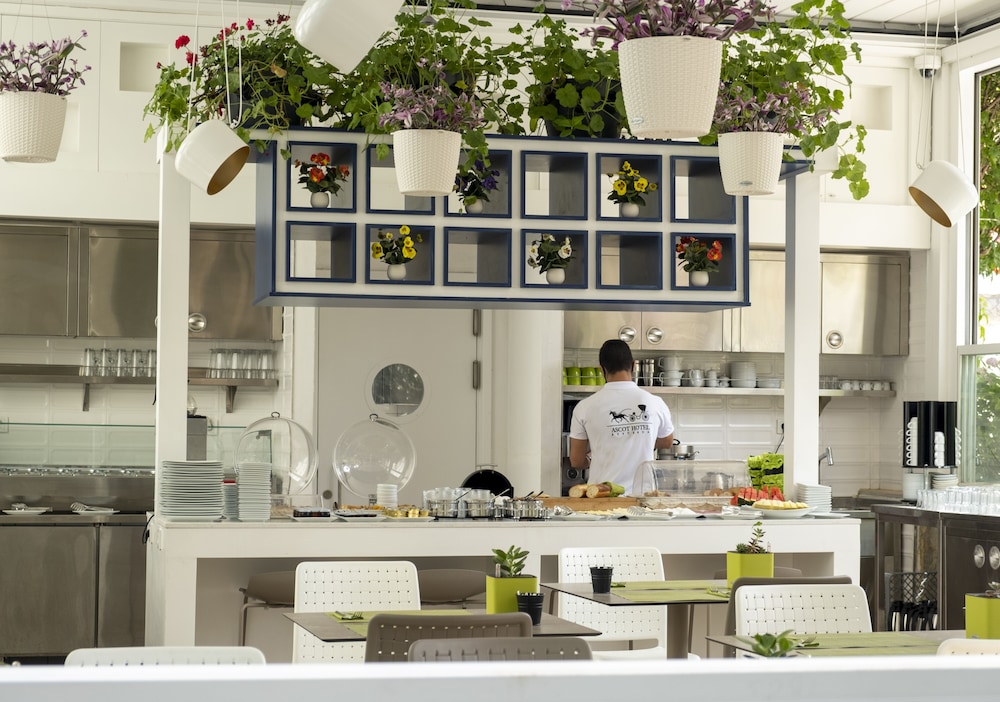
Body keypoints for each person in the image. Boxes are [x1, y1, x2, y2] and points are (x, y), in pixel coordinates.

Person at [569, 339, 674, 495]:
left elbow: (577, 461)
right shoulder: (655, 402)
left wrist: (592, 456)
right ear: (633, 365)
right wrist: (641, 438)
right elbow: (667, 442)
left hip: (602, 496)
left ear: (602, 369)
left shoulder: (584, 407)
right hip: (642, 497)